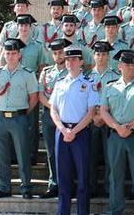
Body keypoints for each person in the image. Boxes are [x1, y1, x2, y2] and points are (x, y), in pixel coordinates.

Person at [99, 50, 134, 215]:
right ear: (120, 66)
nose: (130, 67)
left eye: (132, 64)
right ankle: (115, 209)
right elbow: (103, 111)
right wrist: (117, 127)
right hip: (116, 136)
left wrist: (129, 127)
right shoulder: (110, 87)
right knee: (115, 175)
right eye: (126, 64)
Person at [49, 47, 98, 215]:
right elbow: (53, 109)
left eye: (74, 59)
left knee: (83, 178)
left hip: (80, 132)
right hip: (61, 132)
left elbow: (91, 112)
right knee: (63, 178)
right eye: (68, 60)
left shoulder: (88, 83)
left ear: (81, 62)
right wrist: (63, 129)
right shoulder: (59, 83)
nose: (70, 62)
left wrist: (74, 131)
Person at [0, 39, 39, 199]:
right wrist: (2, 109)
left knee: (23, 154)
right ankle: (4, 187)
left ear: (19, 55)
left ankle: (26, 187)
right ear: (4, 54)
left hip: (19, 118)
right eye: (8, 53)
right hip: (1, 118)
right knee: (1, 154)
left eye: (13, 53)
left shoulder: (27, 74)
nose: (10, 56)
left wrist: (22, 112)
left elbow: (33, 98)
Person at [38, 39, 72, 199]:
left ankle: (67, 184)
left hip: (67, 116)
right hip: (49, 116)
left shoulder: (71, 71)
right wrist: (53, 109)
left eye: (61, 52)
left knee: (67, 152)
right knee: (51, 152)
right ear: (52, 55)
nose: (58, 55)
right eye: (55, 53)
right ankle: (54, 184)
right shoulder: (46, 72)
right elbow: (41, 94)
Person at [86, 41, 120, 198]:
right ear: (94, 56)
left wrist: (104, 116)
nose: (101, 57)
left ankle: (109, 188)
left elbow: (119, 98)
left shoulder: (115, 76)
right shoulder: (86, 77)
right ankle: (91, 187)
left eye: (104, 54)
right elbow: (84, 100)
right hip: (91, 120)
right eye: (98, 54)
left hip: (110, 120)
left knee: (110, 157)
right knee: (90, 157)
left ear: (109, 56)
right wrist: (94, 116)